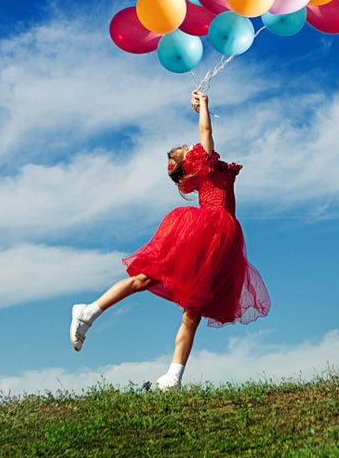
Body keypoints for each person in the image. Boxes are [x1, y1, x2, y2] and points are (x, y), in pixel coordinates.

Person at [70, 90, 270, 390]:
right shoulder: (205, 166)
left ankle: (173, 376)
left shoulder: (209, 168)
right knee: (144, 279)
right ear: (191, 166)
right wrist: (204, 105)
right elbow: (206, 130)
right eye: (188, 151)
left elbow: (204, 135)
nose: (193, 147)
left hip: (222, 241)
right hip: (206, 232)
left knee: (194, 310)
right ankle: (88, 312)